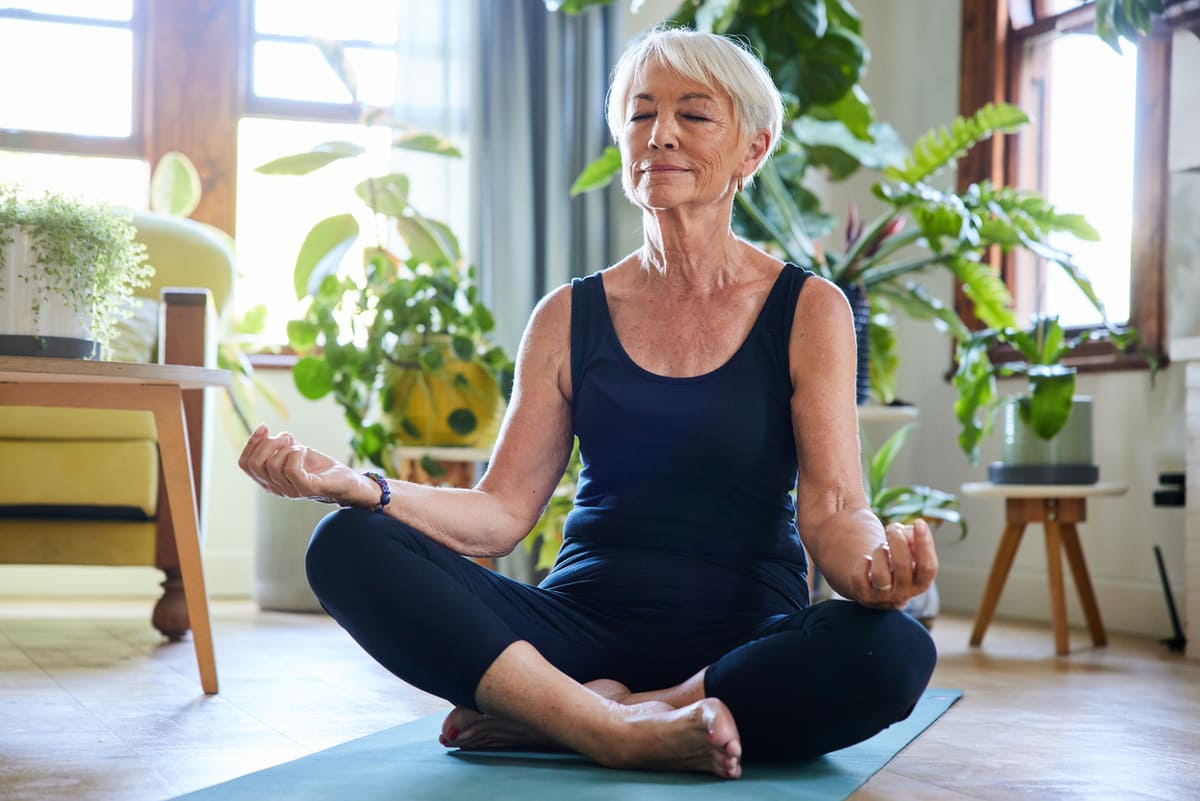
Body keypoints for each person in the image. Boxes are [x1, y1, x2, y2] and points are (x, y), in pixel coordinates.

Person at [239, 27, 937, 781]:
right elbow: (502, 510)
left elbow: (834, 507)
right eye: (641, 115)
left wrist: (873, 569)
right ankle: (606, 726)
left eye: (694, 115)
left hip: (740, 642)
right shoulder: (567, 315)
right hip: (576, 626)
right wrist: (364, 489)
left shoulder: (810, 309)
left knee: (894, 648)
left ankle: (594, 711)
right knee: (345, 545)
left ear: (753, 151)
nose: (660, 135)